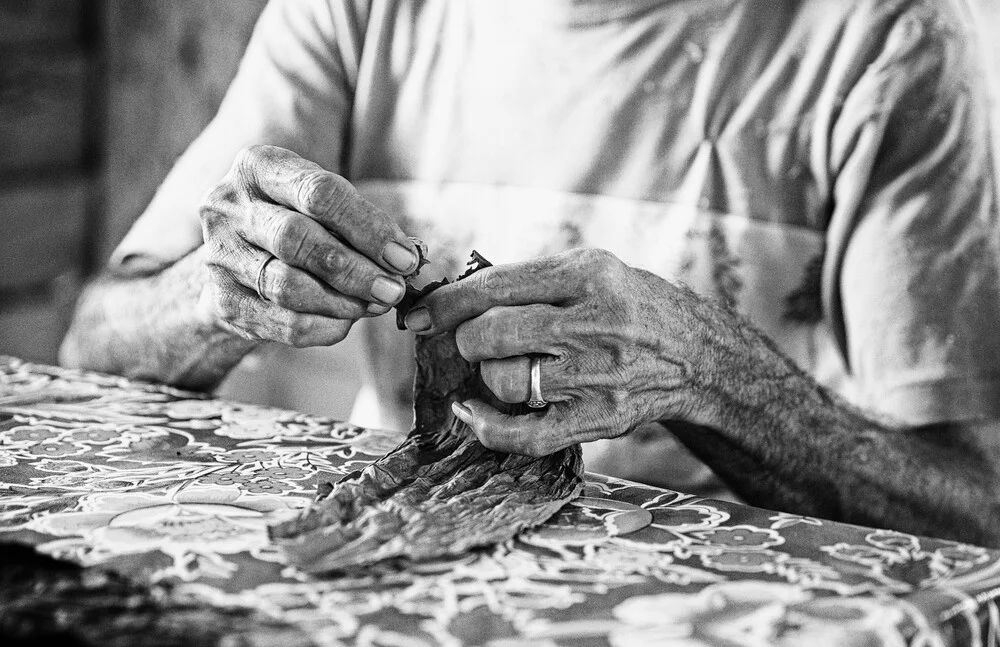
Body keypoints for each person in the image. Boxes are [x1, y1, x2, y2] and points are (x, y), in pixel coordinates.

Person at [61, 0, 1000, 545]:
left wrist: (711, 378)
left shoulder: (891, 40)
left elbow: (975, 514)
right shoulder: (354, 11)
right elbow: (91, 358)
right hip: (412, 568)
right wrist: (214, 292)